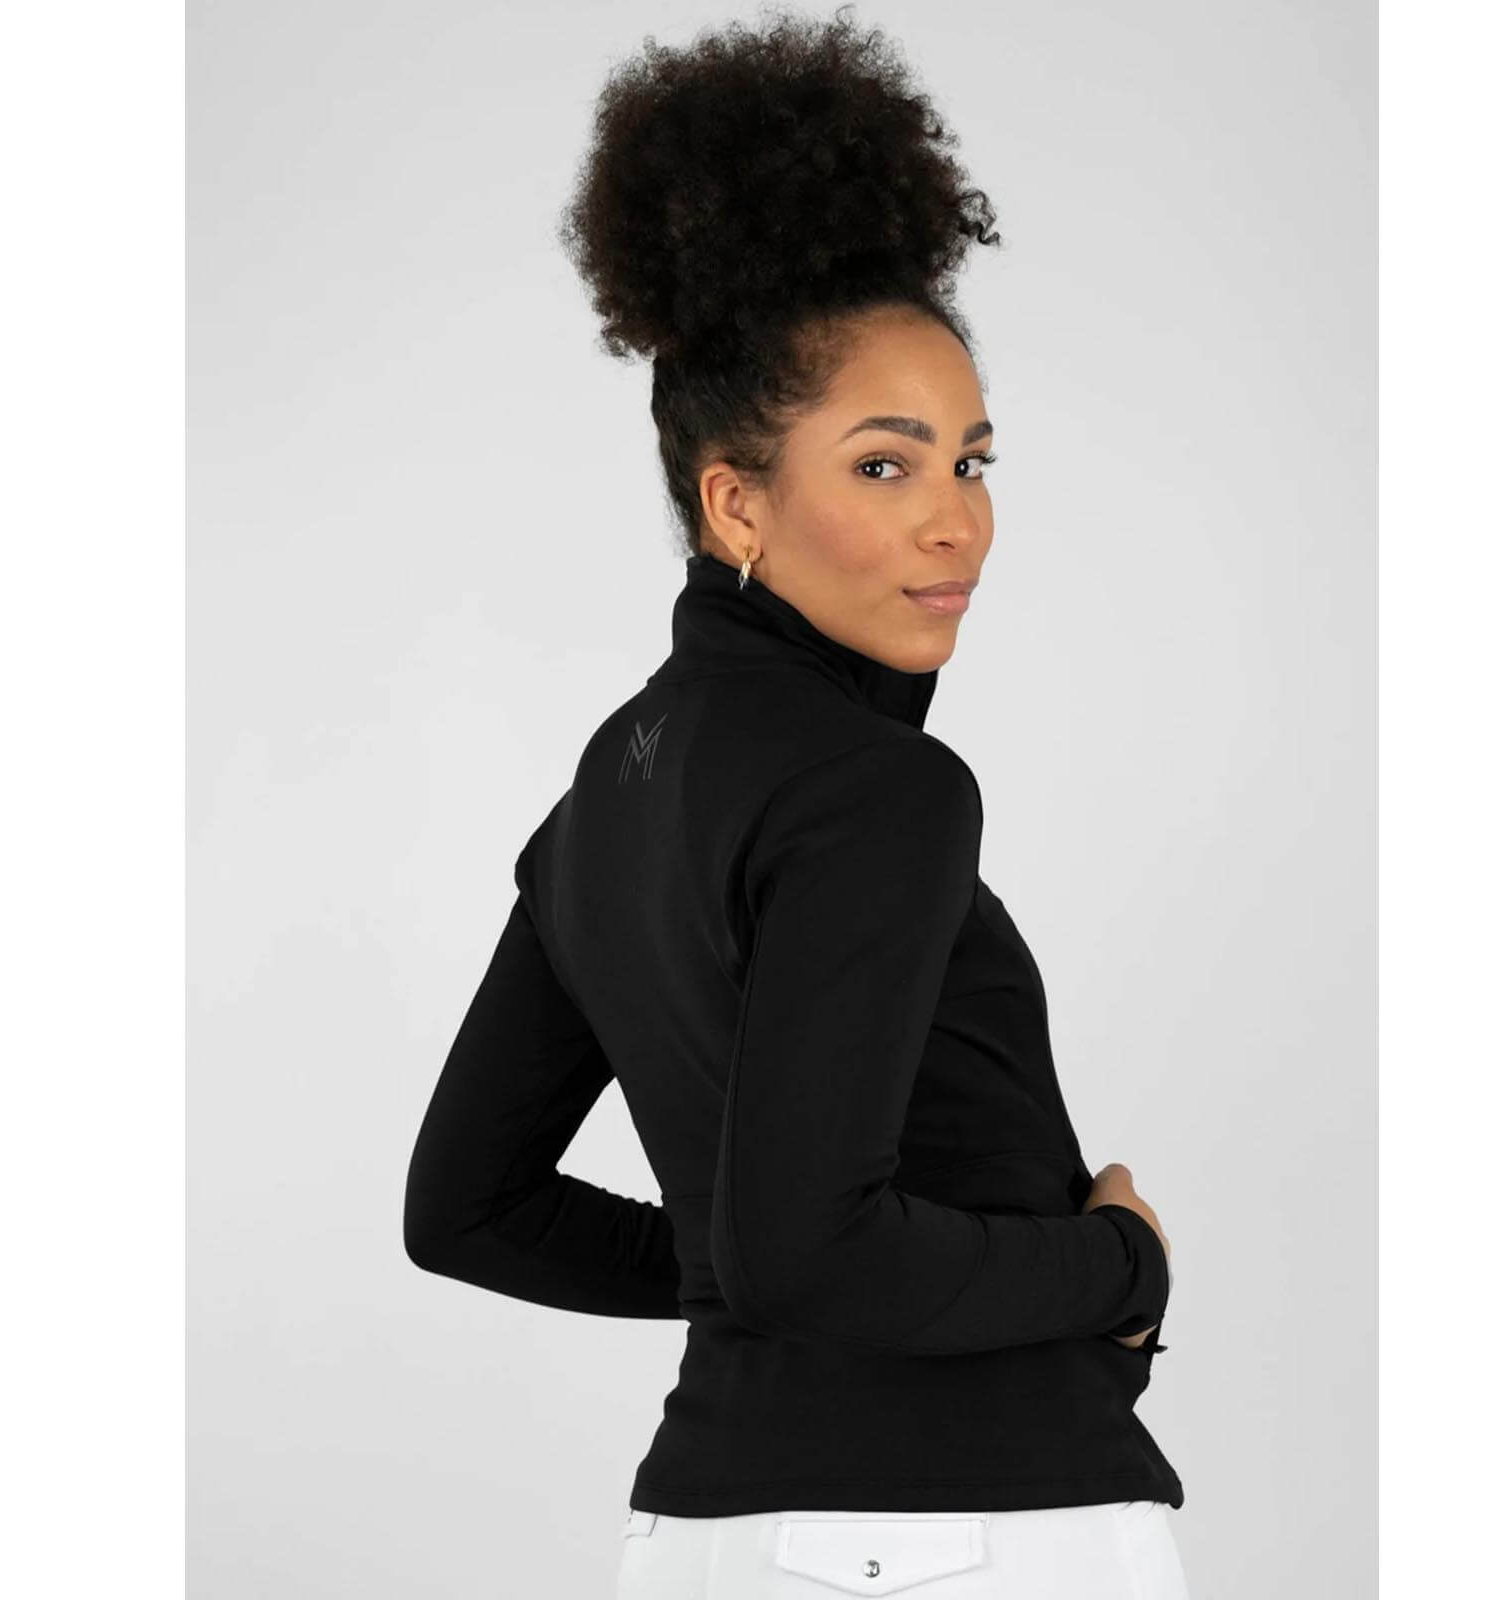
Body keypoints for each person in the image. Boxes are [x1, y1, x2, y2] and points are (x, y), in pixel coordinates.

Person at [403, 8, 1190, 1595]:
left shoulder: (601, 803)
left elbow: (468, 1212)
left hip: (703, 1541)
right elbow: (806, 1252)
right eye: (886, 467)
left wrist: (736, 1270)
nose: (957, 524)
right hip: (976, 1535)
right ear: (737, 505)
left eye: (973, 462)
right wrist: (1118, 1267)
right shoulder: (880, 788)